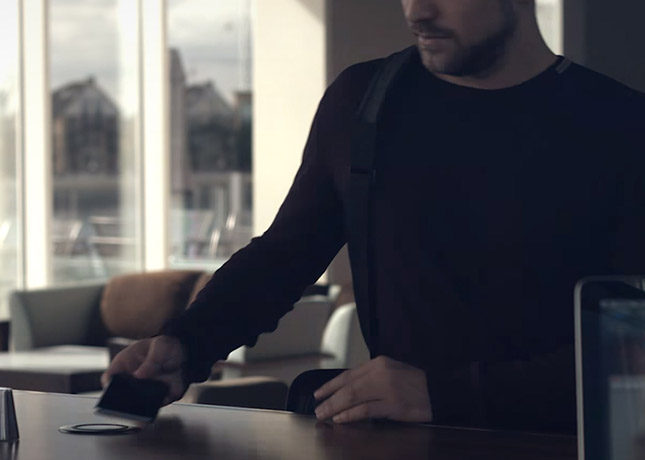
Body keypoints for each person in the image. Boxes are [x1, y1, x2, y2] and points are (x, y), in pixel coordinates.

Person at [103, 0, 645, 433]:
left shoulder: (619, 126)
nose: (417, 12)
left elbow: (631, 352)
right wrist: (186, 344)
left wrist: (444, 395)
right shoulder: (365, 101)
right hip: (394, 445)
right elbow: (284, 256)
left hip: (553, 446)